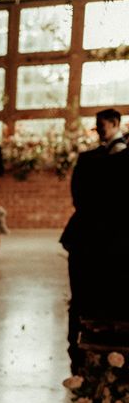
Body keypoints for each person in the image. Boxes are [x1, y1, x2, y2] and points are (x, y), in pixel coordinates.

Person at [60, 108, 128, 373]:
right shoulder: (91, 158)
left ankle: (82, 358)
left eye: (101, 125)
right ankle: (84, 357)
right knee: (89, 299)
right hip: (104, 241)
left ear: (114, 124)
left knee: (88, 299)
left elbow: (79, 197)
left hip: (93, 238)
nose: (99, 129)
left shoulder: (89, 160)